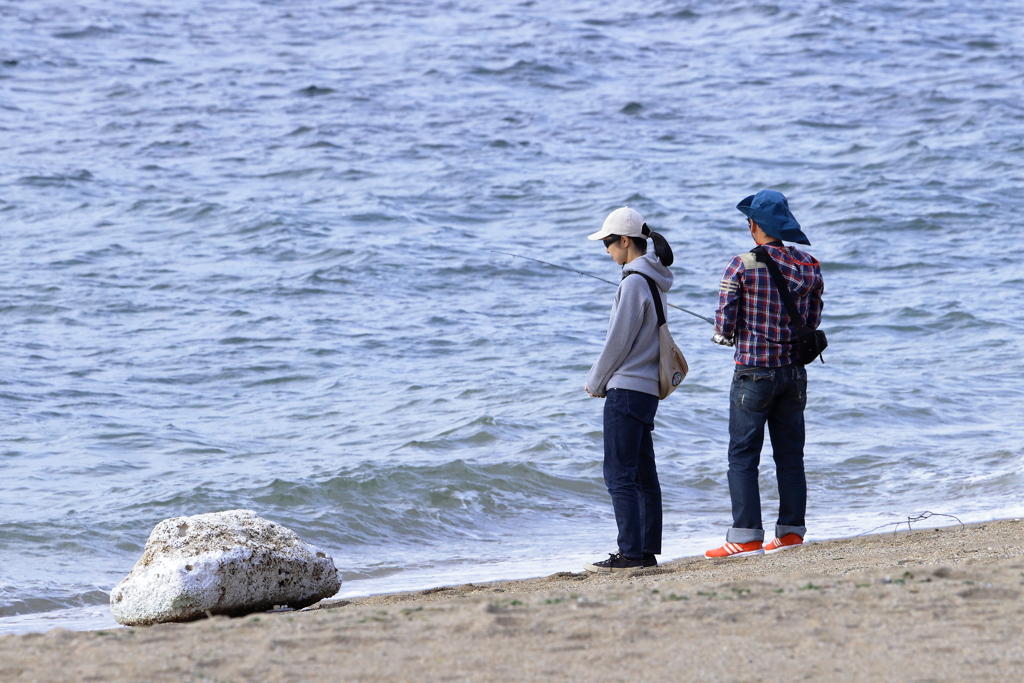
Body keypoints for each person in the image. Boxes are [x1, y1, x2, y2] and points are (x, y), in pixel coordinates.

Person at [705, 190, 824, 559]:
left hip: (753, 373)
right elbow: (813, 321)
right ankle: (790, 532)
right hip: (793, 373)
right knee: (790, 456)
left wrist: (728, 333)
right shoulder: (809, 266)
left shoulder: (740, 265)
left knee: (742, 456)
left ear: (754, 225)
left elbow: (723, 327)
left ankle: (745, 535)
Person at [582, 206, 675, 573]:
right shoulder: (654, 280)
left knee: (618, 474)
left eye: (608, 242)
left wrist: (595, 381)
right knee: (643, 472)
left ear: (625, 241)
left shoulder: (633, 281)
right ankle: (646, 551)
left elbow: (617, 343)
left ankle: (630, 554)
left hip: (626, 390)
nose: (606, 250)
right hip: (648, 390)